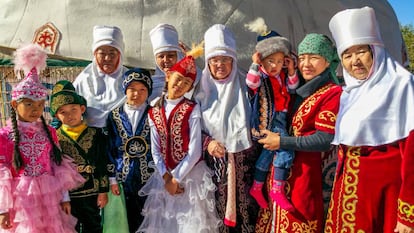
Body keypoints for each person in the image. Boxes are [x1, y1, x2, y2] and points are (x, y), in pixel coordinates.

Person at [325, 6, 414, 233]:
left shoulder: (401, 85)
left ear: (375, 50)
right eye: (347, 55)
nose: (354, 61)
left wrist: (407, 214)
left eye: (361, 52)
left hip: (385, 198)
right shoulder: (349, 92)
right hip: (347, 193)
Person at [254, 33, 342, 233]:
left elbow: (324, 139)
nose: (306, 64)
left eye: (314, 57)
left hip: (304, 176)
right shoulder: (300, 88)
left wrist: (282, 142)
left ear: (327, 61)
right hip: (279, 172)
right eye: (302, 58)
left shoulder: (331, 93)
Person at [0, 44, 84, 233]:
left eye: (39, 105)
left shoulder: (49, 132)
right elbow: (1, 173)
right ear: (14, 104)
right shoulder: (5, 136)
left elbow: (58, 166)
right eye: (28, 104)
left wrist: (65, 198)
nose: (35, 110)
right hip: (22, 203)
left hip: (49, 202)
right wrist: (3, 209)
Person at [138, 43, 220, 233]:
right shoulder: (154, 109)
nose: (181, 84)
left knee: (188, 223)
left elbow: (194, 149)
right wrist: (165, 175)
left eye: (187, 83)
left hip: (190, 176)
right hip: (164, 175)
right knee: (166, 224)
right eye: (178, 79)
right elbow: (155, 148)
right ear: (168, 76)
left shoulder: (192, 108)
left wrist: (175, 179)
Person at [194, 24, 259, 233]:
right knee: (216, 215)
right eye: (214, 60)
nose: (220, 65)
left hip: (247, 166)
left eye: (225, 59)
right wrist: (208, 143)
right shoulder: (199, 91)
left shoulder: (249, 87)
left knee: (248, 213)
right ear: (208, 63)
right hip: (214, 165)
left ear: (233, 60)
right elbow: (190, 128)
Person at [245, 29, 299, 211]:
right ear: (262, 61)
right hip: (268, 119)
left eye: (279, 61)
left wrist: (291, 70)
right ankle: (277, 188)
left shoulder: (282, 75)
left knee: (267, 154)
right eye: (270, 61)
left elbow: (293, 88)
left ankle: (256, 187)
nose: (275, 66)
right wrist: (254, 65)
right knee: (285, 148)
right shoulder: (261, 76)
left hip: (282, 117)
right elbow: (251, 84)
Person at [50, 80, 110, 233]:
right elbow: (54, 168)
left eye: (73, 109)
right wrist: (61, 198)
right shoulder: (54, 138)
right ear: (56, 115)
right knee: (70, 228)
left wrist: (103, 191)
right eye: (63, 112)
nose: (70, 115)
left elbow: (102, 162)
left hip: (92, 191)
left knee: (94, 226)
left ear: (82, 108)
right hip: (68, 196)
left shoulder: (96, 134)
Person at [106, 68, 154, 233]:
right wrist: (112, 179)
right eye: (132, 89)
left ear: (148, 92)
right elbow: (110, 146)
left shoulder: (154, 114)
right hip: (122, 177)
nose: (136, 94)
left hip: (149, 177)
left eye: (142, 90)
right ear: (125, 90)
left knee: (148, 219)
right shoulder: (114, 116)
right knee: (124, 221)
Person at [73, 25, 128, 128]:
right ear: (95, 54)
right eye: (102, 53)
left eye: (112, 54)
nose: (107, 58)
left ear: (120, 55)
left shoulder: (130, 80)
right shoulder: (84, 79)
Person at [148, 23, 200, 103]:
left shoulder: (196, 79)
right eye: (161, 56)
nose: (166, 60)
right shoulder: (150, 85)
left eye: (171, 55)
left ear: (178, 55)